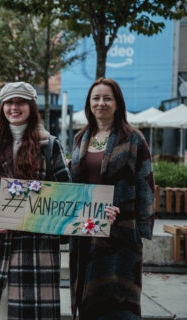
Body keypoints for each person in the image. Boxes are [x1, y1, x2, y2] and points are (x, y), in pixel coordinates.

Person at [0, 82, 72, 320]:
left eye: (20, 102)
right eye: (9, 103)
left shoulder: (50, 145)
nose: (14, 107)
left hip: (35, 247)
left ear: (31, 106)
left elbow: (66, 197)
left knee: (31, 313)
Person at [69, 78, 154, 319]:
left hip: (121, 235)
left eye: (108, 98)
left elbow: (145, 184)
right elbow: (74, 183)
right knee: (88, 298)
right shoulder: (80, 138)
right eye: (96, 98)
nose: (101, 103)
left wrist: (138, 226)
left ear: (118, 103)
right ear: (89, 103)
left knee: (119, 302)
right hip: (84, 231)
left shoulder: (134, 139)